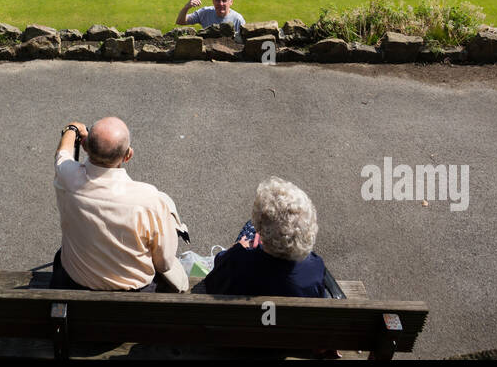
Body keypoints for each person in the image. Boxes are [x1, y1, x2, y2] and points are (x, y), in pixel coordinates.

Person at [52, 117, 189, 293]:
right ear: (128, 155)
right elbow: (164, 262)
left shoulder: (68, 178)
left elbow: (62, 155)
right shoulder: (150, 200)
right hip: (134, 293)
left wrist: (72, 129)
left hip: (75, 283)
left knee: (60, 256)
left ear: (85, 147)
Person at [201, 177, 328, 298]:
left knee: (249, 226)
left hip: (240, 318)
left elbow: (212, 283)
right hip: (288, 319)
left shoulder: (237, 261)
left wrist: (236, 249)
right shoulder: (315, 267)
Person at [176, 0, 245, 39]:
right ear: (213, 1)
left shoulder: (237, 19)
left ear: (231, 2)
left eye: (224, 1)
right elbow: (180, 21)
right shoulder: (205, 13)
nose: (221, 4)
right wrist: (186, 7)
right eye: (217, 0)